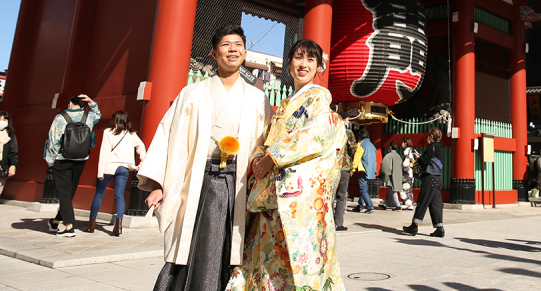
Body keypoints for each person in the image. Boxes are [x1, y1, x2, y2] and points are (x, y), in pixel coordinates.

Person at [138, 25, 270, 291]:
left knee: (236, 247)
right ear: (213, 53)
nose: (232, 49)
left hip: (241, 184)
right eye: (225, 44)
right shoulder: (192, 93)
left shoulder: (259, 98)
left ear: (245, 53)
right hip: (198, 181)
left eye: (238, 45)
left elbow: (268, 145)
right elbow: (167, 136)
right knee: (191, 242)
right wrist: (158, 184)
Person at [227, 38, 347, 291]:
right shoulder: (286, 103)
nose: (303, 65)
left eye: (310, 60)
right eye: (298, 58)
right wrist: (259, 158)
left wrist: (273, 157)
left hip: (296, 197)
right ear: (289, 63)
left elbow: (318, 134)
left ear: (318, 68)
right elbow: (268, 138)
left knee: (293, 256)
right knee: (267, 257)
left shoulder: (319, 98)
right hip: (271, 191)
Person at [44, 94, 102, 238]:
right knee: (68, 192)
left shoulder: (61, 117)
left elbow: (54, 138)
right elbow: (98, 115)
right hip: (81, 158)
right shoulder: (88, 117)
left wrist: (51, 160)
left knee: (63, 192)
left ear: (70, 103)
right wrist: (92, 103)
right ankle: (56, 221)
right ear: (84, 106)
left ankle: (69, 227)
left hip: (62, 158)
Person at [86, 111, 147, 235]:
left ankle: (91, 224)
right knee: (119, 196)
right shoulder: (131, 135)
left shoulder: (108, 132)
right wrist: (141, 164)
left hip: (109, 167)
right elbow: (142, 147)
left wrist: (100, 172)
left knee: (99, 194)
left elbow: (104, 152)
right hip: (124, 168)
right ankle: (118, 225)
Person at [403, 127, 445, 237]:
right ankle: (439, 228)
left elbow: (424, 161)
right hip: (438, 178)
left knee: (422, 201)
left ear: (432, 136)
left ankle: (414, 225)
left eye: (429, 135)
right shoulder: (441, 147)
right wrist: (422, 157)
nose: (428, 138)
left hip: (430, 178)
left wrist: (418, 157)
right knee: (435, 204)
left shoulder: (432, 147)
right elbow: (431, 161)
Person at [334, 112, 357, 231]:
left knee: (329, 195)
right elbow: (353, 148)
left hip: (331, 166)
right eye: (347, 120)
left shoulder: (332, 131)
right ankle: (338, 222)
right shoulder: (348, 133)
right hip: (344, 166)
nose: (348, 122)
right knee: (341, 196)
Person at [351, 128, 377, 213]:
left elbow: (357, 157)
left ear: (360, 137)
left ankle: (370, 206)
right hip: (371, 170)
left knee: (363, 189)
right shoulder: (372, 145)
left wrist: (353, 168)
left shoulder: (361, 145)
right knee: (365, 189)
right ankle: (360, 205)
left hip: (363, 169)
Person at [379, 141, 403, 210]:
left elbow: (385, 167)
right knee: (390, 190)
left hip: (391, 176)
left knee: (392, 190)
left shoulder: (388, 156)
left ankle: (398, 205)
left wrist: (384, 175)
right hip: (397, 175)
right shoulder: (398, 156)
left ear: (390, 147)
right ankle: (386, 204)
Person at [0, 111, 18, 196]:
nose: (1, 122)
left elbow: (13, 153)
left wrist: (13, 166)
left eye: (4, 119)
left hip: (1, 168)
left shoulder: (10, 136)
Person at [400, 137, 419, 210]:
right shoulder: (411, 151)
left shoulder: (406, 152)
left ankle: (405, 203)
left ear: (405, 143)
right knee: (409, 189)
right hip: (411, 172)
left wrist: (403, 169)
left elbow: (405, 163)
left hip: (407, 172)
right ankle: (410, 203)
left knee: (404, 188)